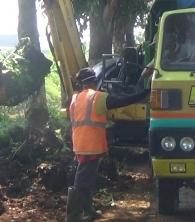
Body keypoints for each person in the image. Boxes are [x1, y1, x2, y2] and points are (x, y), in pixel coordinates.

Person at [65, 67, 151, 222]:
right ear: (95, 80)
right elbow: (122, 101)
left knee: (87, 177)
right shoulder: (98, 98)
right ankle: (72, 217)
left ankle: (88, 210)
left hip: (79, 143)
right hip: (91, 145)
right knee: (82, 180)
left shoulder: (74, 99)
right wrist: (145, 92)